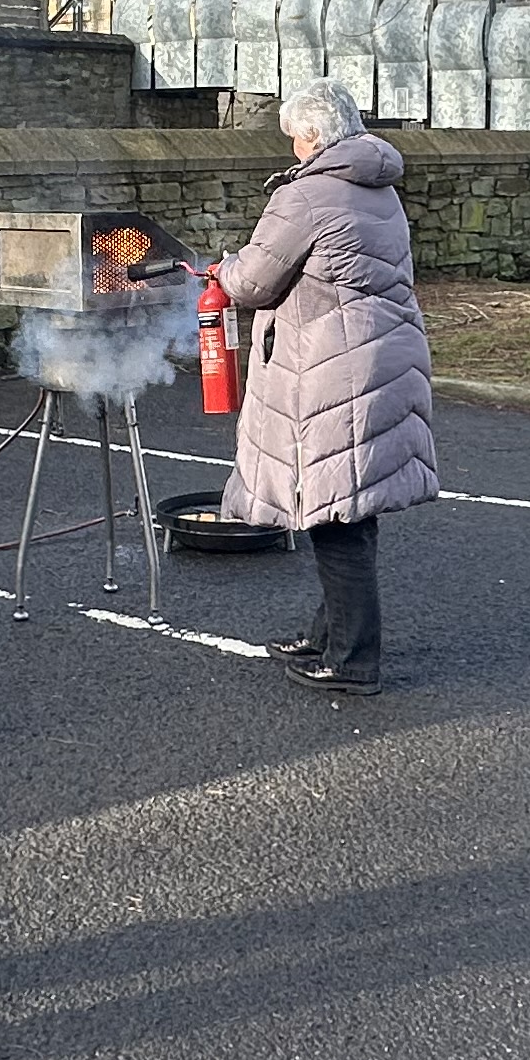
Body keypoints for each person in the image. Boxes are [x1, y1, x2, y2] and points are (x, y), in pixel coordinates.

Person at [215, 79, 439, 691]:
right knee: (348, 507)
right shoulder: (378, 188)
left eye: (294, 134)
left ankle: (353, 662)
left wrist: (223, 267)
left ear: (313, 136)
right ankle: (329, 635)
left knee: (336, 515)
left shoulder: (306, 195)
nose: (291, 145)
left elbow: (254, 282)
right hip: (381, 355)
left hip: (331, 367)